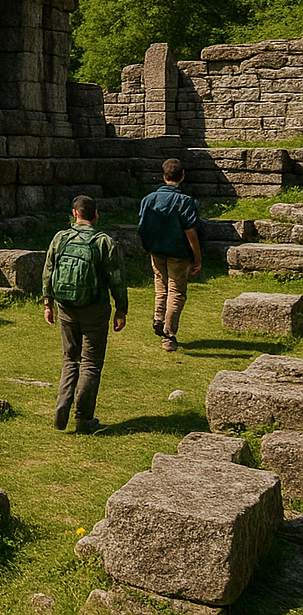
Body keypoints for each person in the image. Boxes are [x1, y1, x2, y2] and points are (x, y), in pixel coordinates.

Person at [45, 195, 126, 434]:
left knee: (70, 359)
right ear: (96, 214)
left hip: (66, 307)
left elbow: (48, 270)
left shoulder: (61, 238)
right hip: (95, 309)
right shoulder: (104, 242)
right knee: (90, 363)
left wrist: (48, 302)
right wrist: (121, 309)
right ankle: (84, 417)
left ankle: (62, 402)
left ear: (75, 213)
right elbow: (117, 278)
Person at [138, 157, 203, 353]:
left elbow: (142, 227)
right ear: (182, 176)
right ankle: (169, 334)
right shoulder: (186, 202)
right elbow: (191, 232)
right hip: (179, 253)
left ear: (163, 176)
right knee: (176, 292)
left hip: (156, 251)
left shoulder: (148, 199)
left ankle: (159, 317)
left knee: (161, 287)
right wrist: (197, 257)